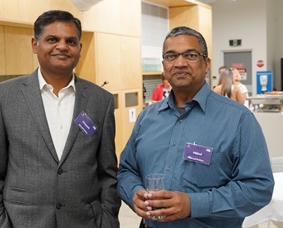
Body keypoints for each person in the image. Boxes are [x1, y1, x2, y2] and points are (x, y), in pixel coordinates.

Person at [0, 10, 121, 228]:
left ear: (80, 48)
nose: (62, 46)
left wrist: (108, 220)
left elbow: (107, 172)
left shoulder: (101, 101)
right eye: (52, 39)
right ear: (35, 45)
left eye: (71, 41)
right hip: (21, 222)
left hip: (85, 222)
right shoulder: (4, 96)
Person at [117, 26, 274, 228]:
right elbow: (126, 170)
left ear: (206, 64)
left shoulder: (239, 120)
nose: (180, 63)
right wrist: (133, 193)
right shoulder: (147, 118)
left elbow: (258, 188)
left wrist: (194, 204)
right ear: (164, 64)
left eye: (190, 55)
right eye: (171, 56)